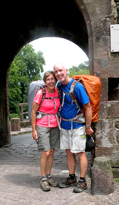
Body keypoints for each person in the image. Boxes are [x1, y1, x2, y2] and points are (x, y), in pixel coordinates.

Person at [53, 62, 94, 193]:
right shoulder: (59, 85)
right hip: (65, 125)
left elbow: (88, 108)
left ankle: (82, 181)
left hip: (77, 125)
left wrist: (88, 126)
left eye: (60, 70)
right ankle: (72, 177)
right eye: (56, 72)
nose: (59, 73)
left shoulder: (78, 87)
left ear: (66, 70)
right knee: (69, 152)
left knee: (80, 152)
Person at [31, 71, 61, 192]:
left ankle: (48, 176)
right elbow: (33, 111)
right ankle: (43, 178)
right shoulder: (41, 93)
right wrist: (33, 129)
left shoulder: (58, 92)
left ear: (55, 80)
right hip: (42, 124)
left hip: (55, 124)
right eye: (48, 79)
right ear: (45, 81)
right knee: (46, 152)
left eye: (52, 79)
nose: (51, 81)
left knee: (52, 151)